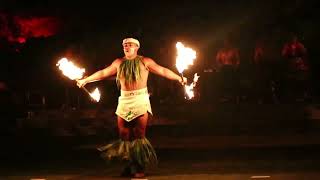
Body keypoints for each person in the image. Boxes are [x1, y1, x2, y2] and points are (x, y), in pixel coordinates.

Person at [76, 37, 187, 178]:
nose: (126, 47)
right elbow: (103, 73)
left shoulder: (145, 61)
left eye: (129, 45)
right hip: (124, 99)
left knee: (138, 134)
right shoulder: (118, 62)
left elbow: (163, 71)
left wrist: (179, 78)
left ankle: (139, 167)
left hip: (140, 99)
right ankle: (129, 166)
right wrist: (86, 80)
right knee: (124, 134)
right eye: (124, 45)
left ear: (136, 47)